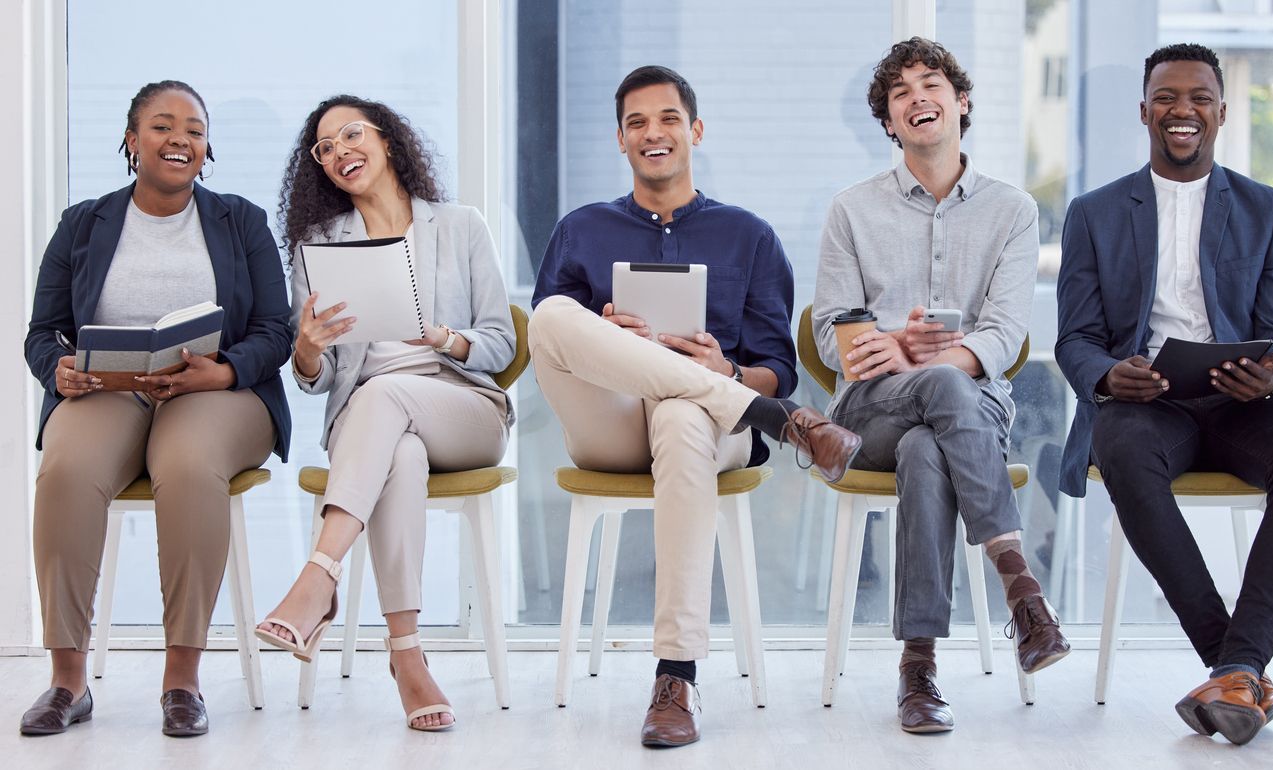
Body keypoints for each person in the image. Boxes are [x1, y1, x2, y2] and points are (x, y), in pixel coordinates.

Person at [530, 65, 861, 748]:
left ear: (696, 131)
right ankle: (787, 425)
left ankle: (675, 677)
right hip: (611, 423)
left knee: (683, 411)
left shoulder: (750, 236)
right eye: (637, 123)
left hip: (712, 428)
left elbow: (778, 366)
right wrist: (609, 339)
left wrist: (726, 369)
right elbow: (552, 344)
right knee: (555, 314)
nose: (654, 133)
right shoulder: (580, 230)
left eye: (669, 119)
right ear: (619, 140)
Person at [1055, 43, 1273, 746]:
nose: (1184, 111)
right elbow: (1076, 338)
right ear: (1145, 111)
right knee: (1119, 446)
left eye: (1199, 98)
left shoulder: (1268, 210)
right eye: (1168, 98)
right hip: (1148, 406)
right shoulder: (1094, 212)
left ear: (1222, 112)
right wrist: (1109, 375)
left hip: (1242, 405)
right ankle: (1236, 666)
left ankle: (1237, 669)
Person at [812, 38, 1069, 735]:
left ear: (962, 103)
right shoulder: (851, 210)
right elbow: (832, 328)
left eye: (932, 84)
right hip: (870, 409)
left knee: (932, 446)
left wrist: (940, 362)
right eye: (900, 93)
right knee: (934, 405)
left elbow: (1008, 331)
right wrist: (896, 346)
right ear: (890, 123)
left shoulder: (1013, 210)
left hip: (966, 403)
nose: (917, 97)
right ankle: (1022, 588)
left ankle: (917, 669)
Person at [21, 80, 292, 737]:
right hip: (109, 390)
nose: (180, 139)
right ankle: (66, 680)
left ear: (207, 147)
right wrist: (54, 368)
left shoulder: (241, 221)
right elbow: (42, 330)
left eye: (195, 129)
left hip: (216, 391)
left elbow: (276, 331)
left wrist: (224, 370)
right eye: (163, 126)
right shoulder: (83, 223)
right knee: (65, 472)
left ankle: (182, 679)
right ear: (131, 138)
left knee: (191, 466)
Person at [254, 96, 515, 732]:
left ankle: (319, 577)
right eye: (324, 147)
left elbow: (502, 343)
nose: (340, 150)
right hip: (370, 421)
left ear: (387, 141)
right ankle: (408, 656)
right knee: (397, 447)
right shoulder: (316, 246)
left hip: (463, 404)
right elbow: (314, 382)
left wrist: (446, 338)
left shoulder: (459, 226)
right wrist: (308, 351)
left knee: (387, 395)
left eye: (351, 134)